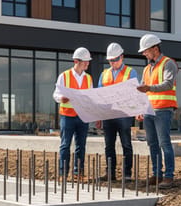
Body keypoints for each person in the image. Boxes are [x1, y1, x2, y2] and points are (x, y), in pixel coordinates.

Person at [135, 33, 177, 188]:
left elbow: (168, 84)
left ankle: (169, 176)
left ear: (155, 48)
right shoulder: (147, 69)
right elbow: (142, 90)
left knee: (164, 143)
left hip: (163, 109)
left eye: (146, 51)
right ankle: (157, 174)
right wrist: (140, 108)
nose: (144, 54)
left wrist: (148, 88)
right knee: (152, 144)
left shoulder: (168, 63)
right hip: (149, 111)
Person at [97, 42, 138, 181]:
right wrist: (99, 116)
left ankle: (127, 174)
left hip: (123, 114)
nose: (113, 62)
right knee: (109, 145)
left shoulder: (130, 72)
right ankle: (110, 173)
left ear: (122, 57)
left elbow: (134, 93)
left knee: (126, 144)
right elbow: (99, 96)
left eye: (115, 59)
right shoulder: (104, 74)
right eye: (110, 60)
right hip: (108, 115)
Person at [52, 47, 93, 180]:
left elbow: (90, 97)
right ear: (76, 61)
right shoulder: (64, 76)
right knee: (65, 145)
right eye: (85, 61)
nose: (87, 63)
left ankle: (78, 173)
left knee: (81, 146)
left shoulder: (88, 78)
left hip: (82, 117)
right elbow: (56, 94)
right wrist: (61, 98)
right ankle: (63, 174)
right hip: (67, 116)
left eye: (88, 61)